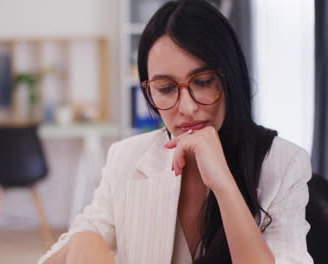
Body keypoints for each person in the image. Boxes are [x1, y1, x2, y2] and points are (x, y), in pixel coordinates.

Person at [38, 0, 313, 263]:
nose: (188, 107)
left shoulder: (284, 163)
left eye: (204, 82)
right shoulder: (126, 157)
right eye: (166, 88)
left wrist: (224, 185)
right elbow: (66, 248)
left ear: (230, 77)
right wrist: (85, 242)